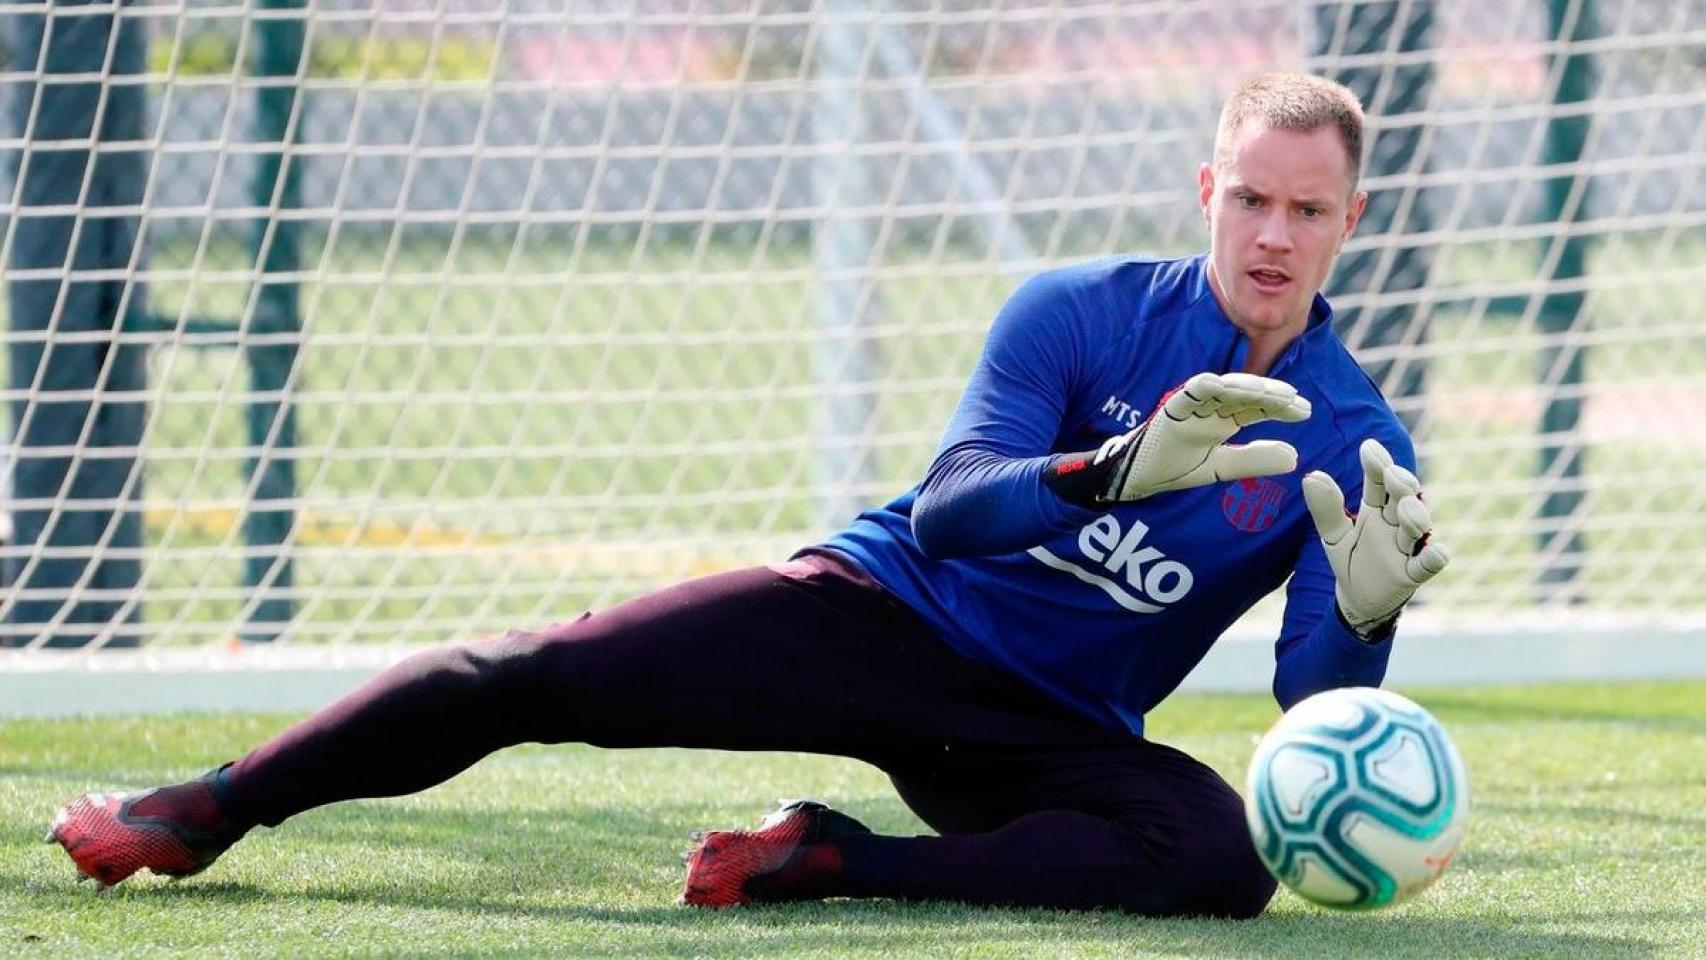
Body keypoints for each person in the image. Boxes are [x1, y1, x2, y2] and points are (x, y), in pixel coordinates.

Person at [45, 71, 1449, 918]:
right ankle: (209, 806)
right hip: (875, 615)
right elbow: (956, 508)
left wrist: (1368, 626)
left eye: (1305, 211)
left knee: (1212, 858)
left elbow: (1306, 710)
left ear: (1349, 222)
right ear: (1207, 189)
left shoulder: (1352, 439)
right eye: (1248, 200)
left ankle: (834, 864)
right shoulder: (1075, 313)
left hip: (1044, 727)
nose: (1271, 235)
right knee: (535, 672)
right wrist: (1102, 475)